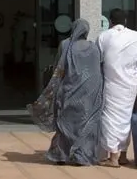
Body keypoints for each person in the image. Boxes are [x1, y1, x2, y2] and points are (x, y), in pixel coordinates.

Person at [44, 18, 104, 166]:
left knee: (65, 122)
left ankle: (61, 155)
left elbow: (59, 66)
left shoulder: (65, 45)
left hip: (68, 90)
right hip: (88, 93)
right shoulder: (93, 47)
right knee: (85, 123)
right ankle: (80, 156)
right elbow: (98, 70)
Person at [97, 8, 137, 166]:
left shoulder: (104, 36)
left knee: (109, 119)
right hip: (130, 85)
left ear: (110, 22)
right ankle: (123, 155)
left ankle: (113, 156)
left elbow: (97, 60)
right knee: (125, 119)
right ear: (125, 21)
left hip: (111, 85)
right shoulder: (136, 36)